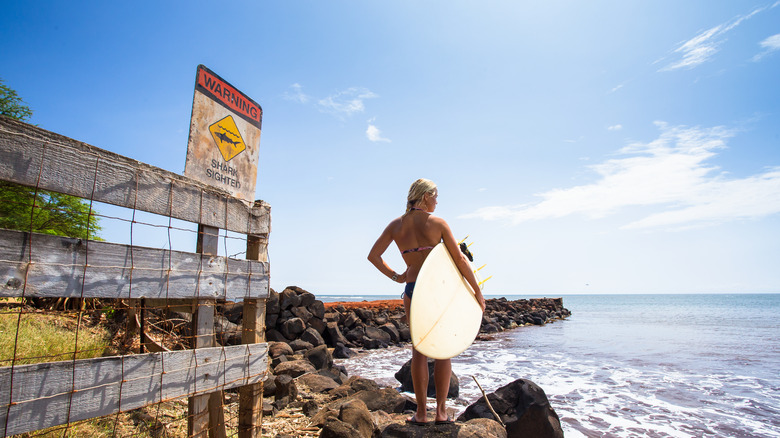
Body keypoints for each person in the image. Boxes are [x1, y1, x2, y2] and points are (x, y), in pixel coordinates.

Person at [368, 178, 486, 425]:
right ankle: (441, 413)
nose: (437, 201)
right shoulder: (438, 223)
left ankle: (421, 413)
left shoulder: (395, 226)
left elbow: (374, 256)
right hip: (439, 291)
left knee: (419, 349)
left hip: (413, 290)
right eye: (435, 196)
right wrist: (477, 292)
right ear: (424, 196)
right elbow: (461, 261)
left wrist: (398, 276)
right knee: (444, 351)